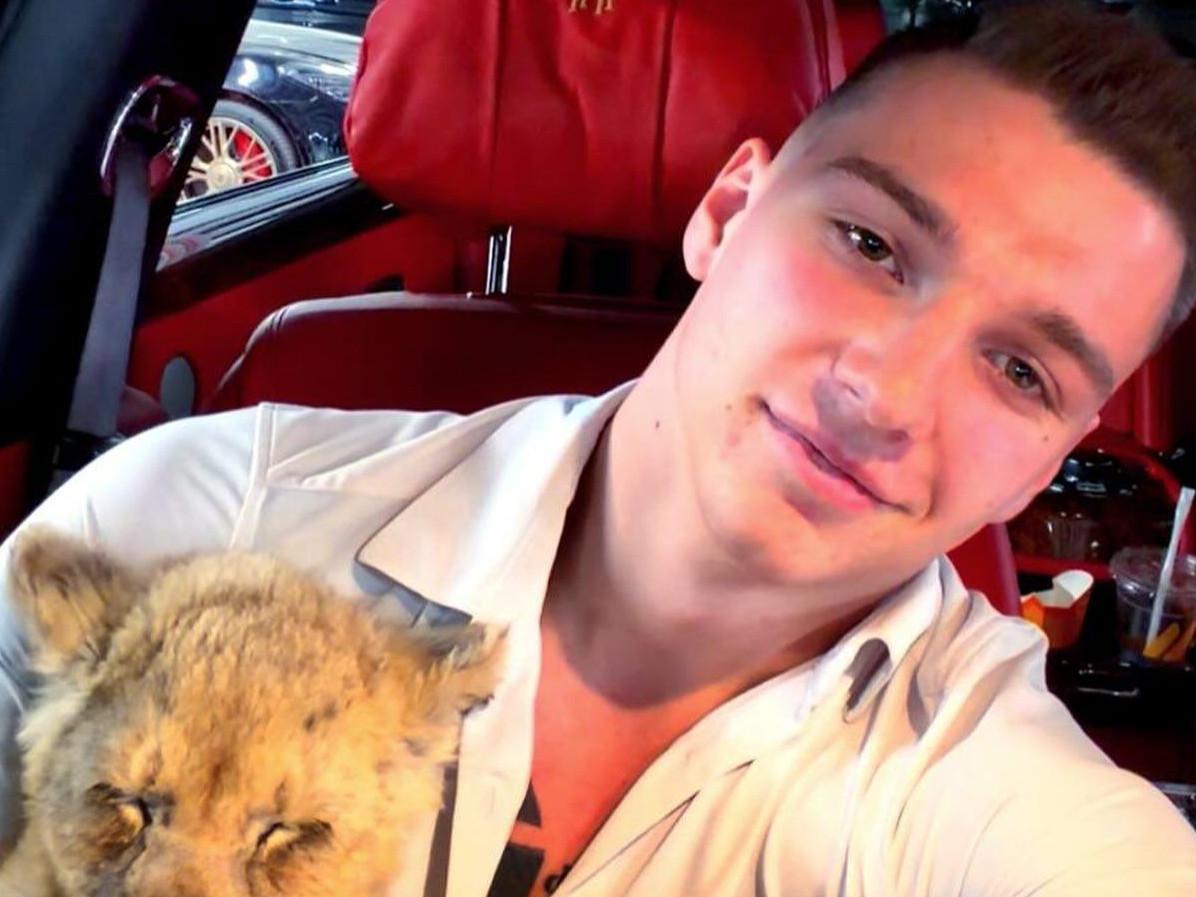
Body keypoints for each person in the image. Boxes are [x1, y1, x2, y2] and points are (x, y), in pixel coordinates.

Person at [2, 1, 1196, 894]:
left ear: (1044, 462)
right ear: (726, 212)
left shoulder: (1019, 815)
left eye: (1020, 372)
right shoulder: (193, 521)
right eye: (869, 245)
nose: (883, 394)